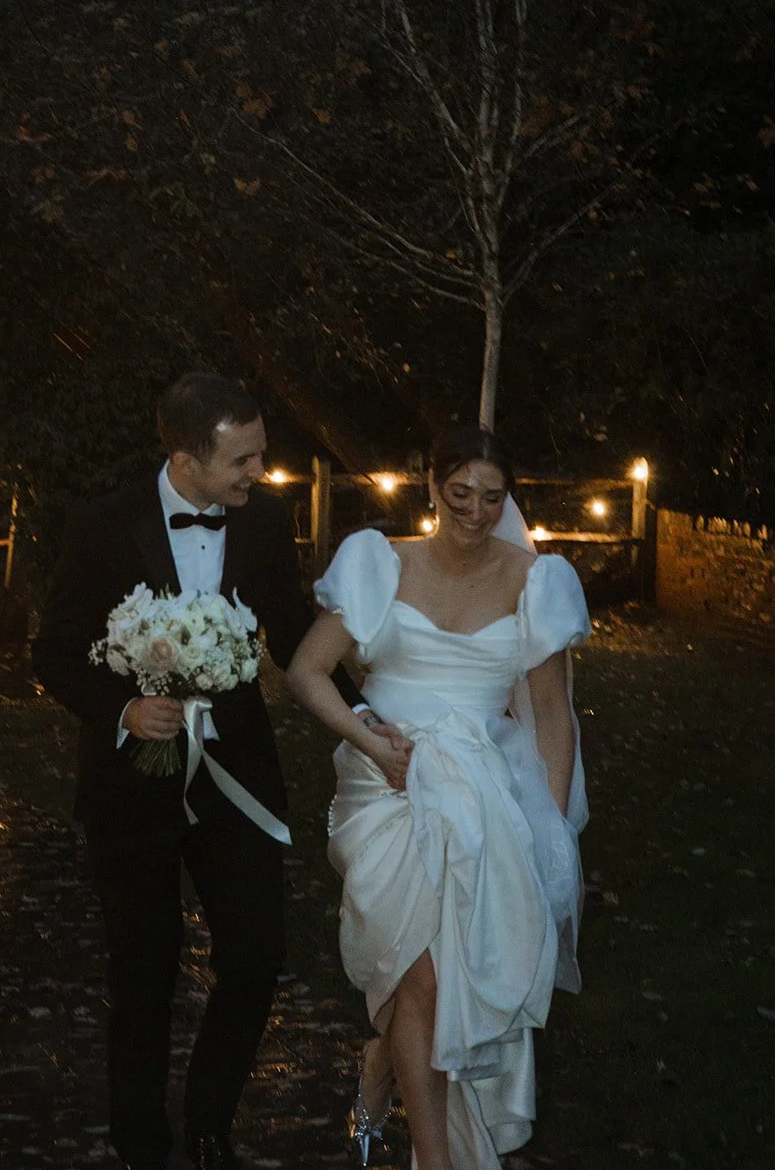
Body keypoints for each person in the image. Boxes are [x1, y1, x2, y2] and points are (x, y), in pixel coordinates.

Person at [33, 372, 404, 1170]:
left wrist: (363, 715)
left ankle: (208, 1124)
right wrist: (124, 712)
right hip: (131, 785)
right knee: (143, 967)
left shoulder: (264, 521)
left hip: (236, 774)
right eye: (242, 460)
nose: (256, 474)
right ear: (186, 456)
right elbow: (54, 651)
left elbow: (294, 634)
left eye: (260, 456)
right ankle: (141, 1141)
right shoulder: (103, 526)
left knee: (254, 955)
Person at [287, 426, 590, 1170]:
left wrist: (548, 833)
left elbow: (551, 716)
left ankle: (384, 1063)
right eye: (460, 493)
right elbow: (306, 672)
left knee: (447, 979)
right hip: (383, 781)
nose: (476, 511)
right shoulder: (378, 563)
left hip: (485, 792)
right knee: (416, 974)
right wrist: (368, 741)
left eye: (492, 497)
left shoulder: (536, 581)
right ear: (431, 485)